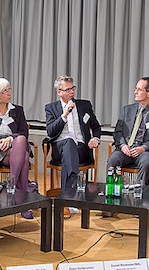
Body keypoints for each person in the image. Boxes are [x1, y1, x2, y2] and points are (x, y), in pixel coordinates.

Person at [103, 77, 149, 217]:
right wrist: (122, 145)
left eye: (139, 89)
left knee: (146, 162)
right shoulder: (127, 110)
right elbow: (118, 132)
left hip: (146, 151)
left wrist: (143, 147)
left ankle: (140, 204)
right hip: (126, 148)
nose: (135, 92)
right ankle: (111, 202)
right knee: (113, 160)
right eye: (136, 89)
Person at [45, 75, 101, 218]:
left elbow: (95, 126)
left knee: (70, 152)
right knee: (68, 142)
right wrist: (64, 115)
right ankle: (72, 191)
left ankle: (65, 200)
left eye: (73, 88)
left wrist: (95, 138)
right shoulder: (51, 108)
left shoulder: (84, 105)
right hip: (59, 148)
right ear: (59, 92)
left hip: (81, 148)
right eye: (68, 89)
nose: (72, 92)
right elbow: (51, 131)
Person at [0, 78, 33, 219]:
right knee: (25, 158)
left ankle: (12, 185)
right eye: (4, 91)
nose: (9, 93)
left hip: (15, 148)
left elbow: (23, 133)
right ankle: (22, 201)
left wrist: (9, 139)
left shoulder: (17, 110)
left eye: (9, 90)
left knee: (20, 141)